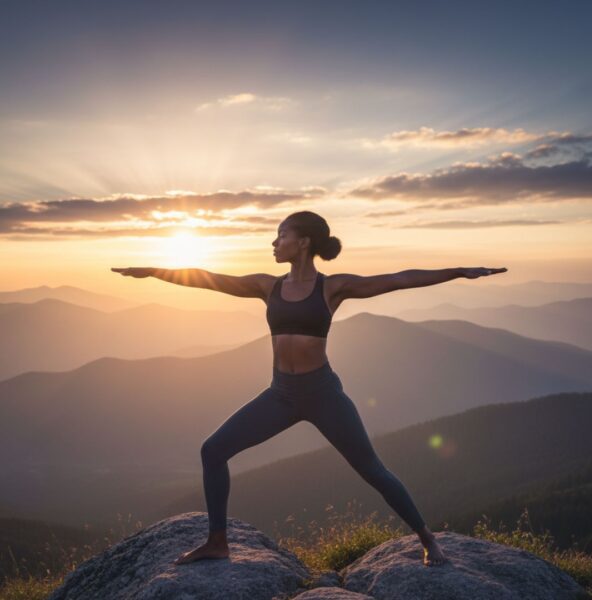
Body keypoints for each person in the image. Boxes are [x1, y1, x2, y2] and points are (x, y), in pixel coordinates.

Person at [112, 210, 507, 567]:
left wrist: (459, 271)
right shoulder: (267, 286)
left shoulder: (332, 287)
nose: (273, 242)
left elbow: (399, 279)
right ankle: (217, 542)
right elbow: (208, 279)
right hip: (280, 395)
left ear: (302, 242)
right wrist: (152, 270)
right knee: (213, 450)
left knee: (373, 470)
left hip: (323, 395)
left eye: (280, 235)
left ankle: (428, 540)